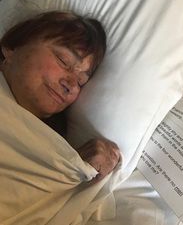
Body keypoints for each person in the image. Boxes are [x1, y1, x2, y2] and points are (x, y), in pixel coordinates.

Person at [0, 10, 120, 183]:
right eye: (63, 61)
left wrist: (71, 167)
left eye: (81, 81)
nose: (71, 84)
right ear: (12, 48)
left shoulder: (55, 154)